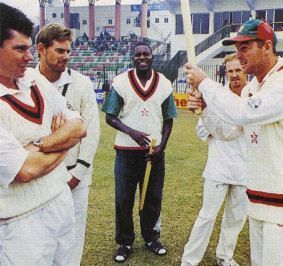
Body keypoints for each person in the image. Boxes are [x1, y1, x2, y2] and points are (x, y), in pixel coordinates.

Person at [185, 19, 283, 266]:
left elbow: (245, 113)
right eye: (237, 48)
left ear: (267, 46)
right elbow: (229, 131)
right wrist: (205, 110)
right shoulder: (252, 86)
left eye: (245, 47)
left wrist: (206, 84)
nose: (239, 55)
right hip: (258, 196)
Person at [0, 3, 87, 265]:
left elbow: (79, 127)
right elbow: (25, 170)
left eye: (29, 48)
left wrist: (41, 145)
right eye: (19, 49)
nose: (29, 57)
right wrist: (64, 141)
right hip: (20, 219)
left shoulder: (34, 81)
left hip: (60, 200)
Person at [102, 42, 177, 263]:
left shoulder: (163, 84)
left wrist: (161, 147)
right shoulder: (121, 82)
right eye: (138, 54)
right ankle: (124, 242)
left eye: (146, 54)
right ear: (132, 58)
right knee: (124, 198)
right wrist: (131, 131)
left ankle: (152, 238)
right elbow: (110, 116)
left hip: (154, 154)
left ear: (152, 57)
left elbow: (168, 119)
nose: (142, 57)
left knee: (153, 197)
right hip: (126, 153)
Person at [35, 23, 100, 265]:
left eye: (68, 51)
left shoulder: (81, 83)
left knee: (72, 233)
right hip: (40, 172)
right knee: (41, 233)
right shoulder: (27, 82)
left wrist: (78, 172)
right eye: (60, 51)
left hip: (75, 174)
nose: (66, 57)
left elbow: (91, 130)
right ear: (41, 49)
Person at [181, 54, 248, 266]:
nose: (234, 75)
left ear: (245, 70)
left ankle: (224, 256)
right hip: (218, 166)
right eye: (230, 71)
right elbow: (202, 131)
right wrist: (202, 111)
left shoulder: (253, 96)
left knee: (235, 218)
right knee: (207, 216)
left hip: (245, 169)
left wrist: (213, 120)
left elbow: (235, 129)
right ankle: (190, 260)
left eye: (238, 70)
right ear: (224, 73)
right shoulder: (214, 96)